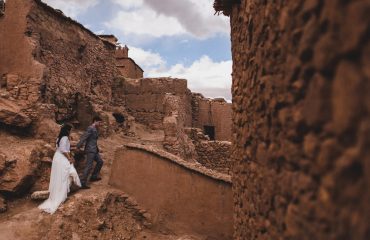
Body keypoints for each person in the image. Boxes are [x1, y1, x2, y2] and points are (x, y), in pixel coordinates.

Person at [39, 124, 81, 214]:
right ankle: (61, 195)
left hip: (57, 157)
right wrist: (69, 158)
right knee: (65, 174)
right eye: (70, 130)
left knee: (61, 175)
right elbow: (63, 150)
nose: (71, 131)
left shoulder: (59, 138)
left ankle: (61, 192)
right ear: (67, 130)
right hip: (62, 157)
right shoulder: (65, 138)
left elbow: (59, 148)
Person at [76, 116, 104, 189]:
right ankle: (82, 183)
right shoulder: (90, 128)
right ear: (95, 121)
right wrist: (78, 146)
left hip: (95, 149)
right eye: (99, 122)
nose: (101, 124)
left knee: (100, 161)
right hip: (90, 150)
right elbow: (84, 137)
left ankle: (94, 176)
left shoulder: (96, 128)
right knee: (89, 166)